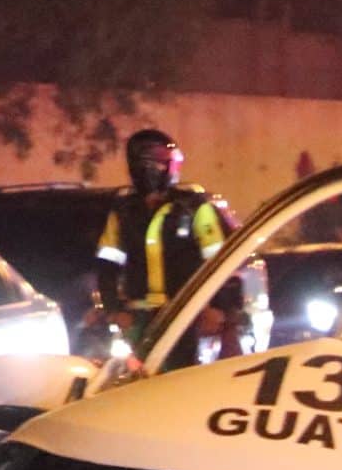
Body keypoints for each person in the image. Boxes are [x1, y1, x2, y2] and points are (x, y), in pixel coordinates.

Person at [95, 127, 245, 356]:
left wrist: (219, 309)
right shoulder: (123, 212)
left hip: (187, 314)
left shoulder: (194, 208)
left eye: (162, 162)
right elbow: (107, 266)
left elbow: (219, 264)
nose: (157, 169)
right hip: (139, 320)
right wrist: (114, 310)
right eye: (152, 162)